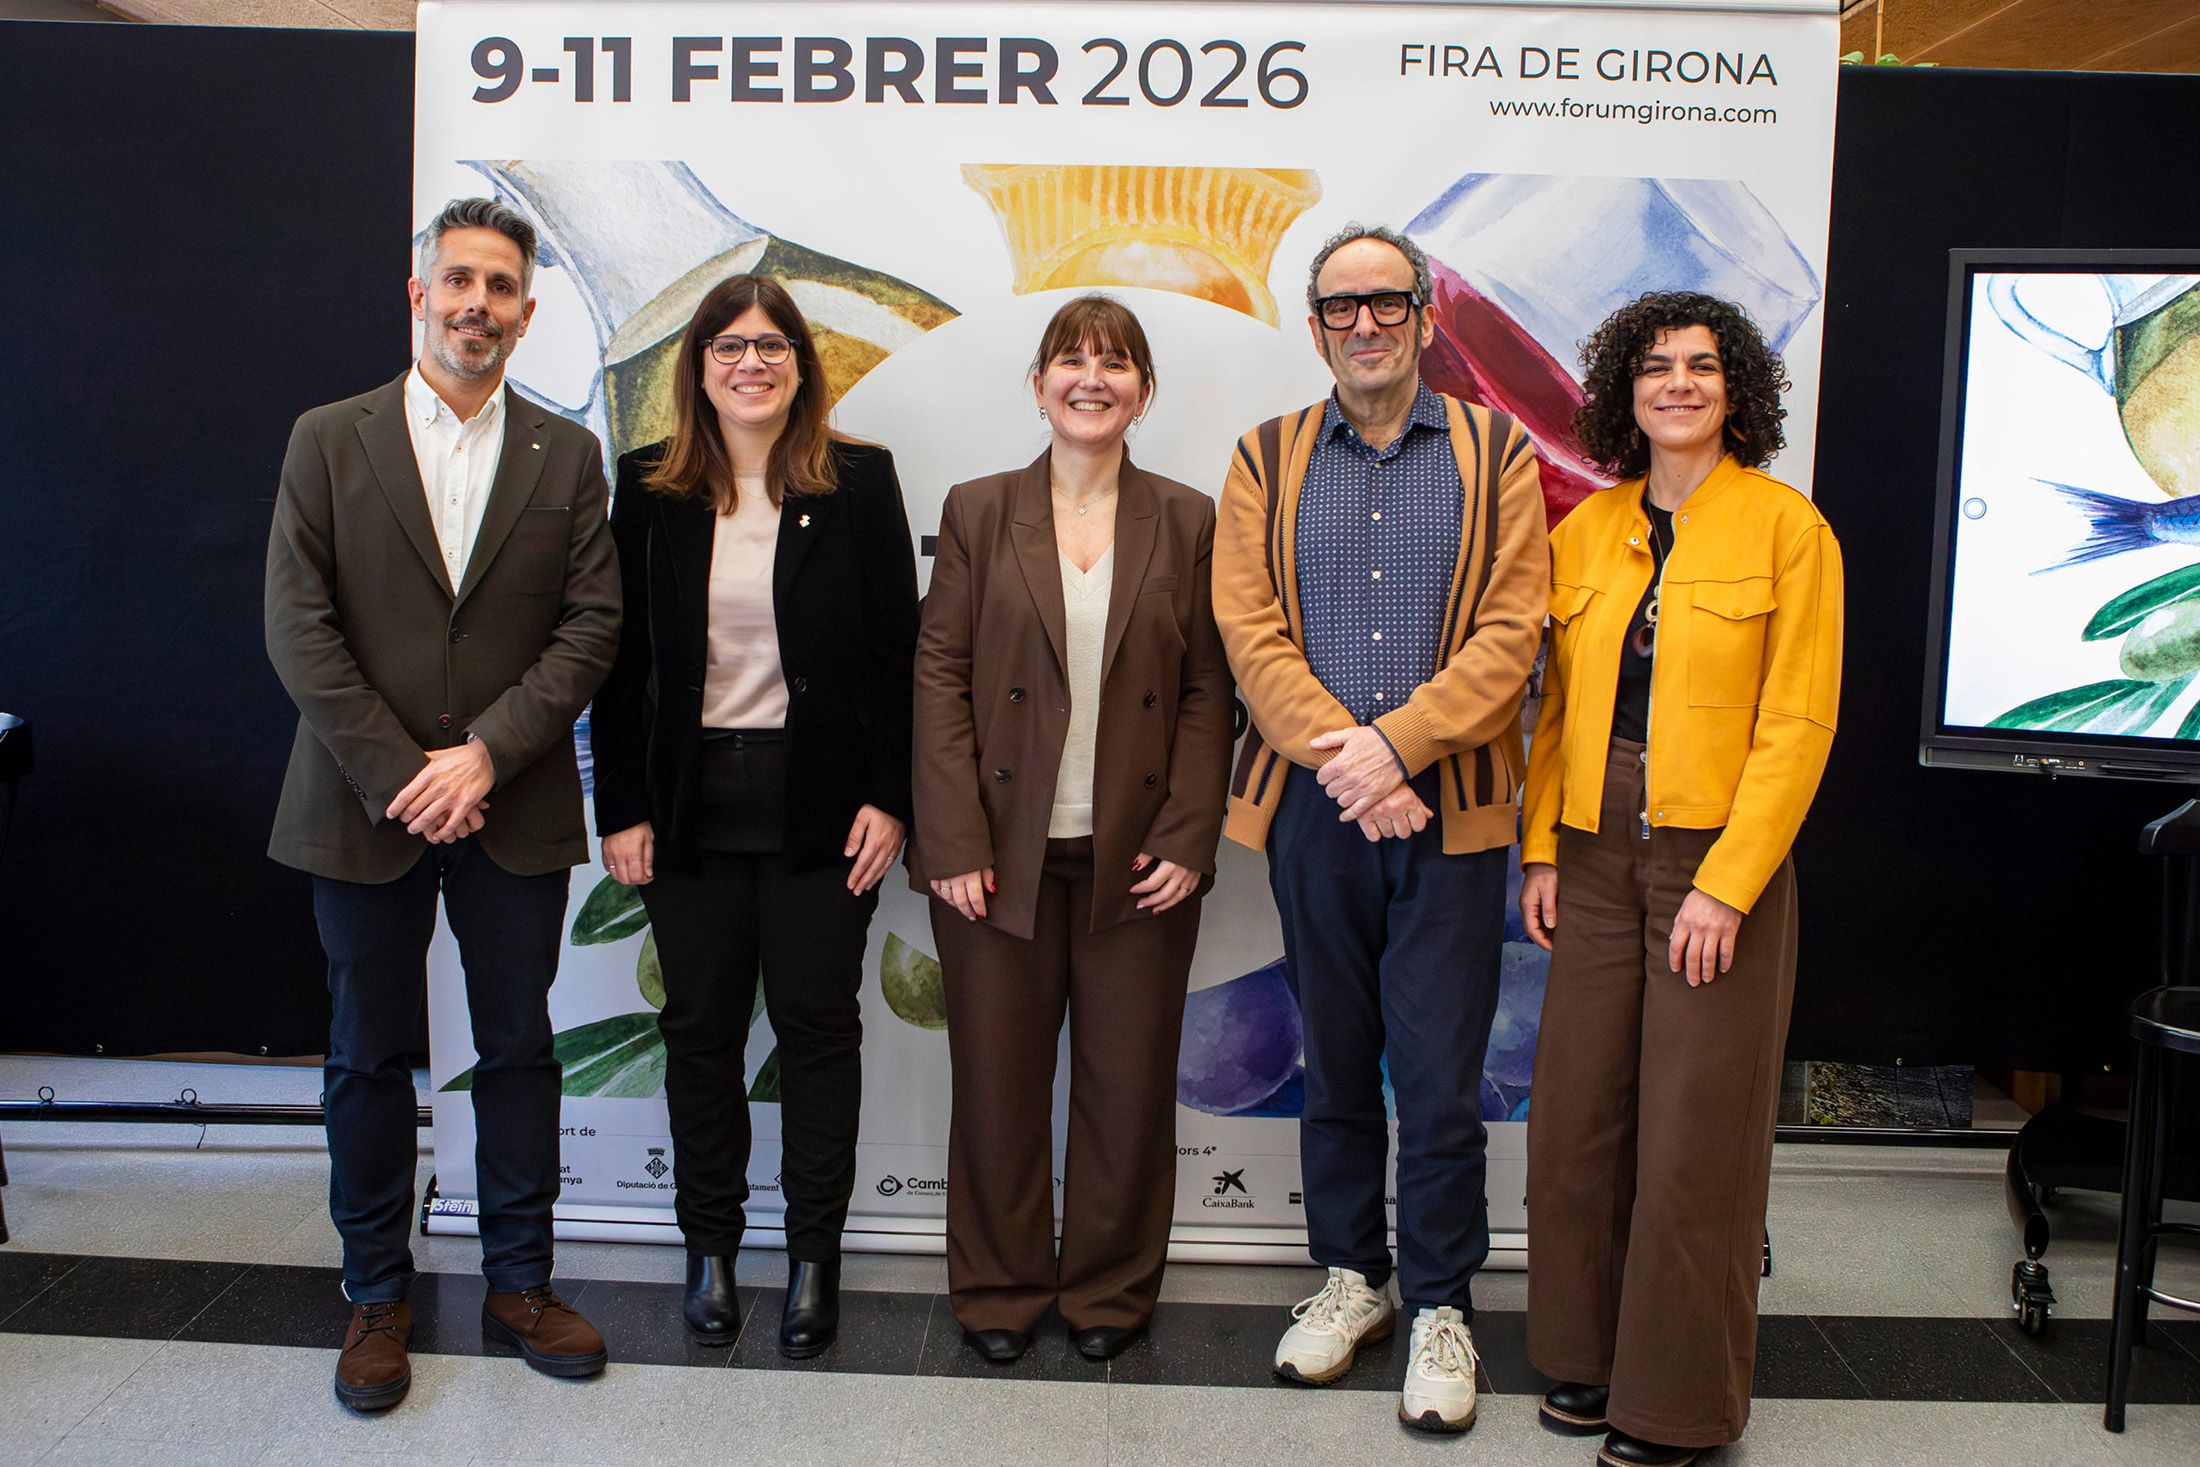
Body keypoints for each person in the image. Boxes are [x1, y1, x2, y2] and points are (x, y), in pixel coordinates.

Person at [265, 196, 621, 1410]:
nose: (479, 304)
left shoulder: (567, 455)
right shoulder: (328, 438)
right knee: (366, 1056)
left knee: (518, 1047)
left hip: (511, 804)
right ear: (420, 294)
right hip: (359, 802)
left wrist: (485, 756)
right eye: (459, 280)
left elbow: (590, 629)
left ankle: (522, 1282)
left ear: (528, 310)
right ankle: (376, 1294)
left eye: (501, 286)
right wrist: (405, 773)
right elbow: (298, 626)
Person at [1214, 224, 1549, 1432]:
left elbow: (1512, 632)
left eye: (1388, 302)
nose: (1365, 324)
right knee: (1337, 1061)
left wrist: (1398, 746)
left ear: (1423, 317)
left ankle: (1442, 1305)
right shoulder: (1264, 458)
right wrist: (1354, 764)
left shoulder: (1496, 451)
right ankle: (1352, 1277)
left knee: (1442, 1080)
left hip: (1450, 809)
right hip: (1315, 809)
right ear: (1315, 328)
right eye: (1341, 306)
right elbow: (1249, 632)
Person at [1519, 291, 1843, 1467]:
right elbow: (1555, 709)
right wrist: (1543, 848)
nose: (1678, 384)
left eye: (1701, 366)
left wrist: (1729, 883)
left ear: (1735, 389)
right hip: (1593, 847)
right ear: (1627, 392)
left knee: (1692, 1137)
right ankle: (1586, 1356)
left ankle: (1677, 1407)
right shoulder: (1585, 532)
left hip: (1714, 855)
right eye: (1655, 367)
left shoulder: (1789, 530)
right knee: (1577, 1120)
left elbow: (1798, 724)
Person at [589, 274, 919, 1357]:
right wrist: (623, 806)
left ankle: (814, 1258)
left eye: (772, 344)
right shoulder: (649, 487)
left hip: (822, 807)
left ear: (800, 364)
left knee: (820, 1031)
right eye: (728, 345)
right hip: (687, 807)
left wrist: (890, 797)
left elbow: (898, 658)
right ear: (699, 367)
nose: (751, 363)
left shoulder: (858, 481)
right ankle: (712, 1253)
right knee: (701, 1033)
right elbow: (620, 664)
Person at [911, 295, 1234, 1364]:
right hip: (997, 855)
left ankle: (1108, 1291)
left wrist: (1188, 836)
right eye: (1072, 359)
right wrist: (952, 840)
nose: (1092, 378)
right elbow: (940, 672)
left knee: (1127, 1089)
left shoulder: (1186, 518)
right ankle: (998, 1291)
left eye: (1116, 362)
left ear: (1143, 391)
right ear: (1039, 383)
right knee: (996, 1087)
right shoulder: (977, 508)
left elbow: (1207, 690)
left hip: (1136, 857)